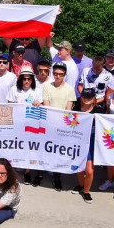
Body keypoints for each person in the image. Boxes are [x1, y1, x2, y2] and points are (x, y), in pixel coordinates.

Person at [39, 62, 76, 190]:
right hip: (48, 123)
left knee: (57, 151)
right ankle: (40, 173)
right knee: (44, 149)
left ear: (65, 75)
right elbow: (47, 106)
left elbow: (68, 110)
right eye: (55, 74)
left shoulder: (70, 89)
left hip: (61, 125)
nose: (58, 76)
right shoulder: (47, 87)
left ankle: (57, 177)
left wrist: (62, 125)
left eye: (60, 74)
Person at [71, 87, 105, 203]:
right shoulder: (76, 108)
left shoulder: (99, 110)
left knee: (89, 171)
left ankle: (86, 192)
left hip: (91, 142)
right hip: (78, 141)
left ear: (94, 98)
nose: (86, 99)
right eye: (84, 96)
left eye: (89, 97)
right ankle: (81, 185)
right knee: (79, 168)